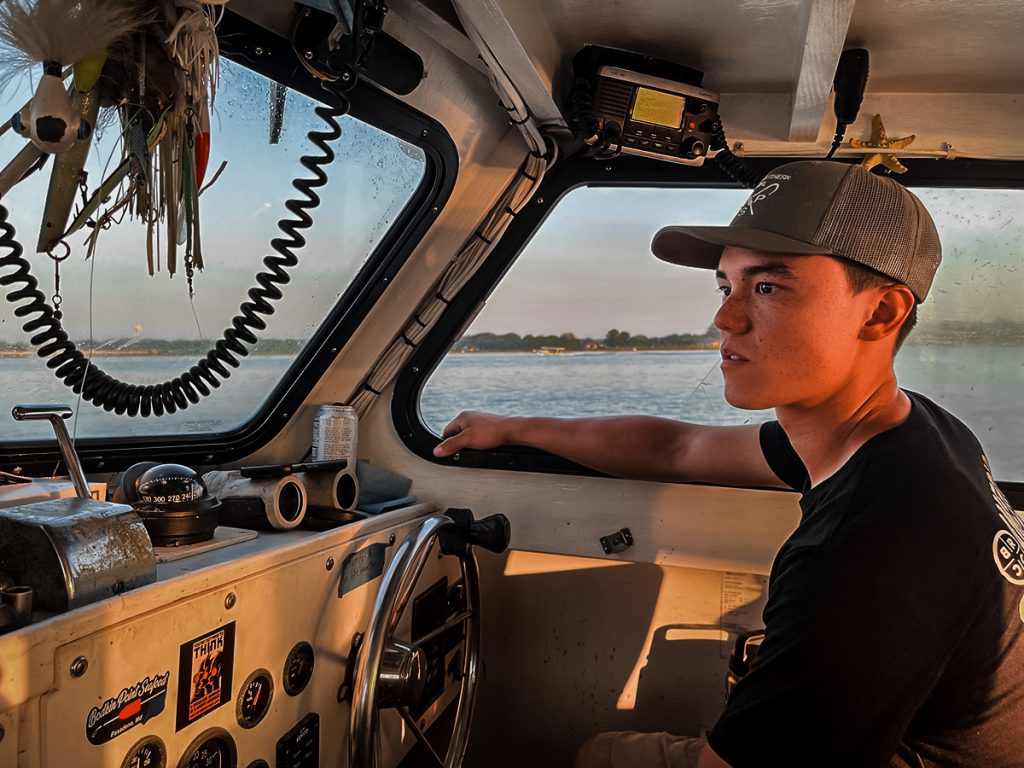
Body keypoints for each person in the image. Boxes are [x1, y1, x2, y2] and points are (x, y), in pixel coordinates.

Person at [433, 161, 1024, 767]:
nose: (725, 318)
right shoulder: (913, 431)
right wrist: (515, 426)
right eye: (726, 287)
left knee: (598, 756)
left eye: (767, 287)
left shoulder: (865, 550)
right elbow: (679, 449)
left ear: (880, 312)